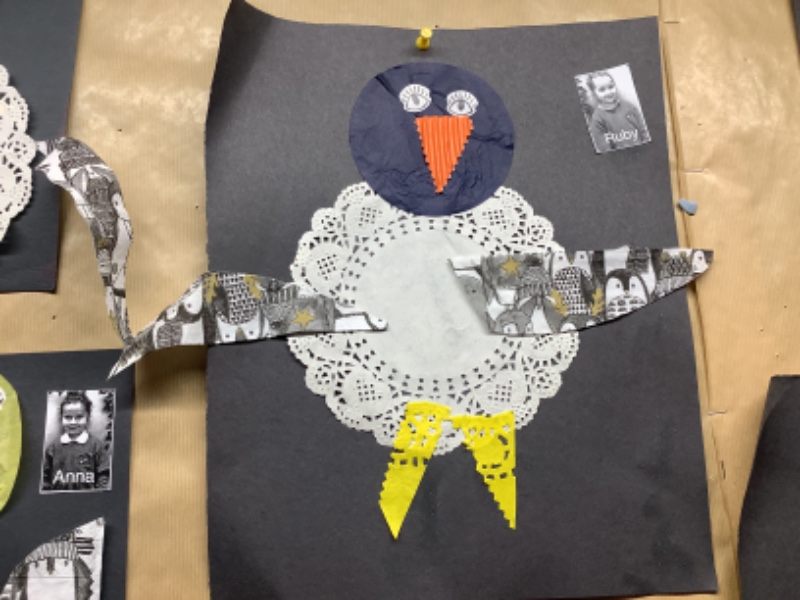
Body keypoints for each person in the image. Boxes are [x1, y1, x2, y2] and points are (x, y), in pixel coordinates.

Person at [41, 391, 110, 492]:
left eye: (79, 417)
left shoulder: (96, 446)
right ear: (61, 418)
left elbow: (104, 478)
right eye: (68, 417)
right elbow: (45, 479)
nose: (73, 422)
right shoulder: (53, 448)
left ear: (87, 418)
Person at [585, 71, 650, 152]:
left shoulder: (630, 107)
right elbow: (604, 148)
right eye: (602, 90)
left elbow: (644, 132)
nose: (608, 92)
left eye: (611, 87)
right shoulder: (597, 119)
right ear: (594, 93)